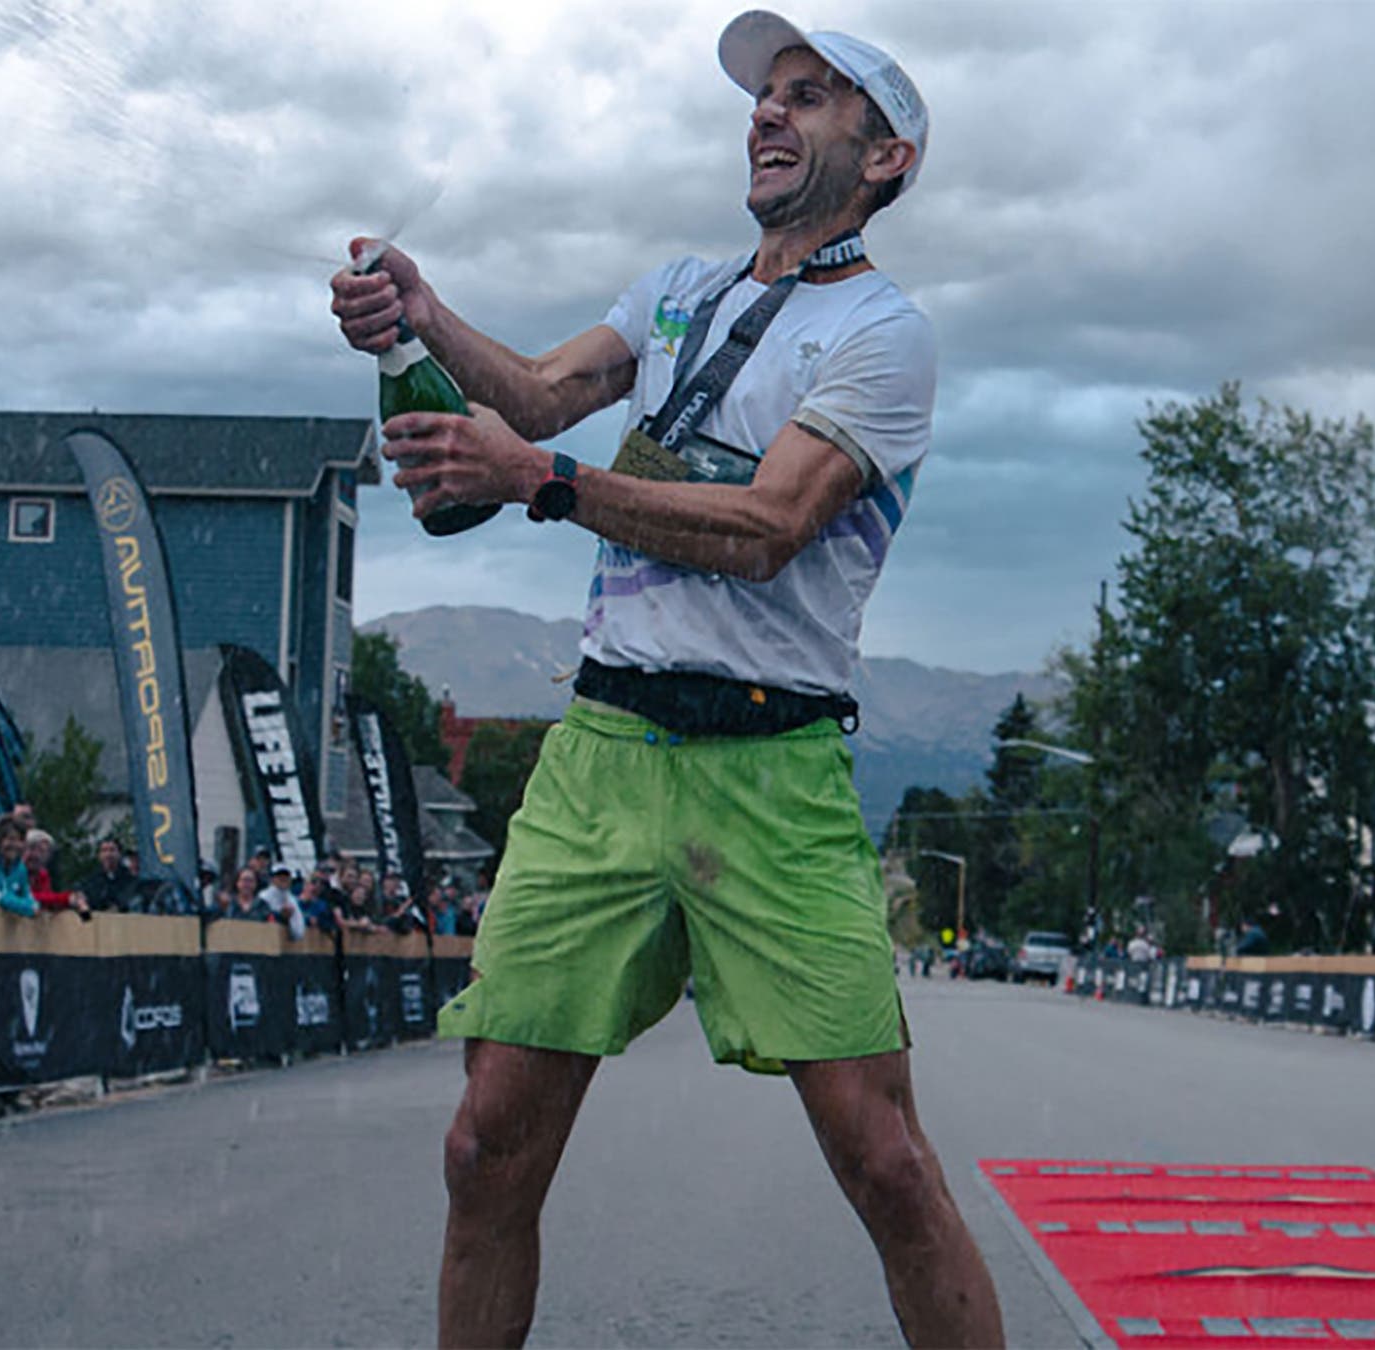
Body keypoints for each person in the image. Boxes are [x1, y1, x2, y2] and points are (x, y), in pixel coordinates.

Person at [331, 15, 997, 1343]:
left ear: (886, 159)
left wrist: (543, 481)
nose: (769, 113)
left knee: (887, 1163)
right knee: (483, 1149)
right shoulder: (678, 289)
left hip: (773, 770)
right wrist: (424, 313)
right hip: (602, 751)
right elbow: (534, 395)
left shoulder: (885, 332)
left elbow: (767, 527)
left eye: (811, 98)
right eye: (766, 95)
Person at [77, 838, 140, 913]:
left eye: (112, 850)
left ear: (119, 854)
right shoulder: (91, 880)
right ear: (99, 855)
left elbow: (126, 901)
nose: (108, 854)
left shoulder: (130, 879)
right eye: (104, 850)